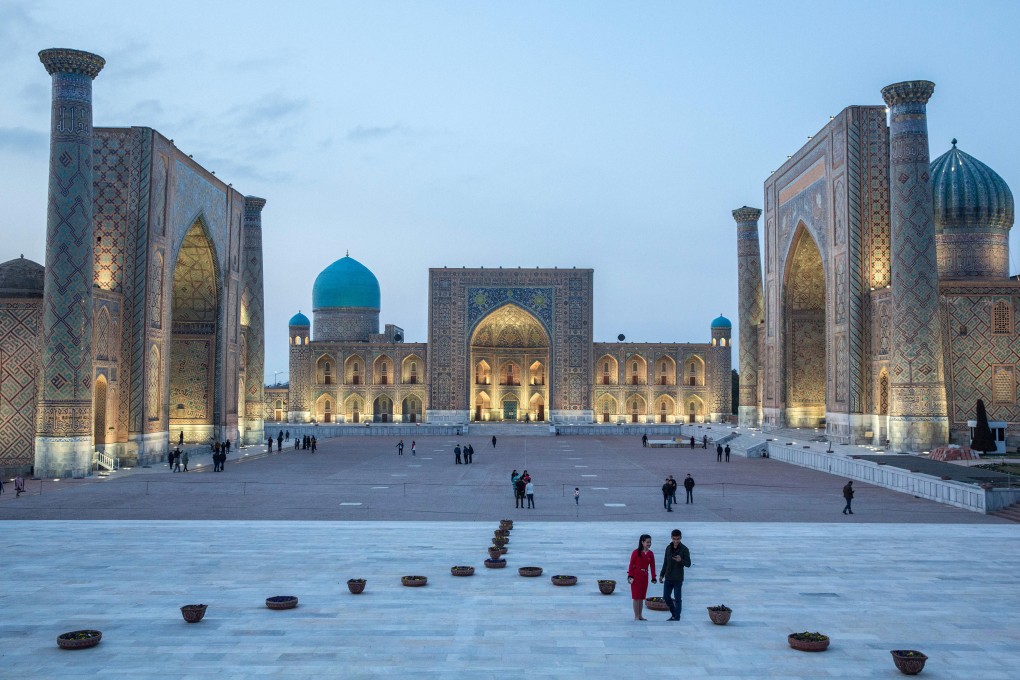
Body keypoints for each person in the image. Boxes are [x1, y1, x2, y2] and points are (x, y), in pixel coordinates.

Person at [659, 529, 692, 621]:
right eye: (674, 539)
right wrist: (661, 575)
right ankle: (674, 613)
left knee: (678, 598)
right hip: (668, 577)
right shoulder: (668, 548)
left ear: (681, 538)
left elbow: (688, 564)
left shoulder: (685, 549)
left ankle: (677, 617)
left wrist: (680, 560)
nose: (676, 541)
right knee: (666, 597)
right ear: (671, 538)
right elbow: (665, 562)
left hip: (678, 578)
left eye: (677, 539)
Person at [627, 534, 657, 621]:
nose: (649, 544)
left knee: (641, 597)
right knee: (636, 597)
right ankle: (636, 616)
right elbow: (631, 565)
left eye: (650, 542)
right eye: (647, 542)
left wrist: (653, 577)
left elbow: (652, 566)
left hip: (645, 576)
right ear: (642, 542)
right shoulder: (636, 552)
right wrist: (630, 576)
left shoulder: (650, 554)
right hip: (636, 577)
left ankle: (640, 615)